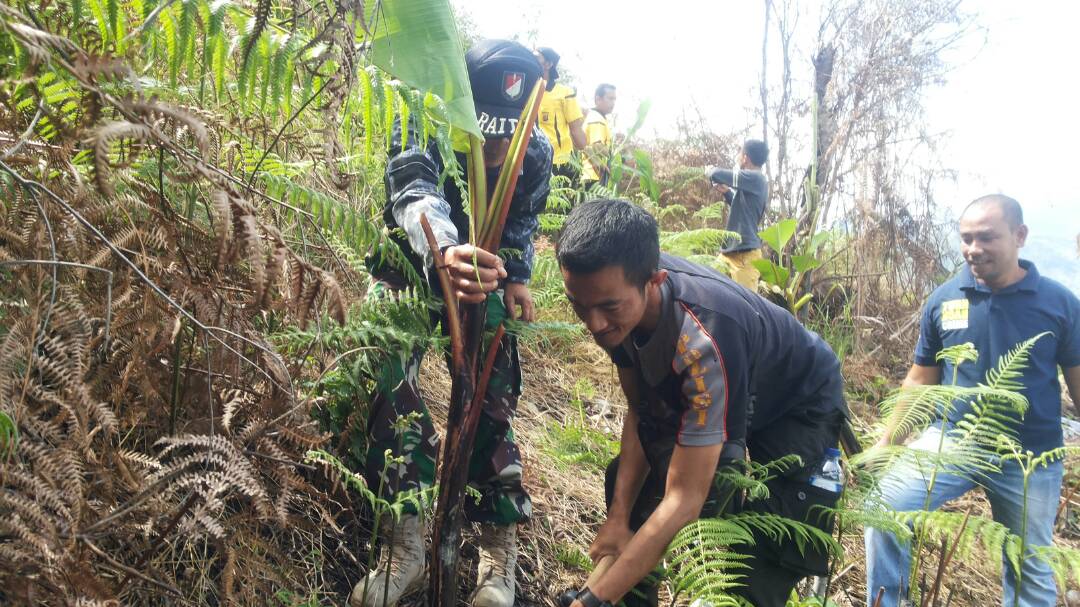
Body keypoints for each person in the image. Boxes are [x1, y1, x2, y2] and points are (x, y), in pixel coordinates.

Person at [556, 199, 849, 607]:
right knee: (630, 489)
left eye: (608, 308)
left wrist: (594, 600)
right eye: (578, 305)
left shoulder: (704, 339)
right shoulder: (615, 301)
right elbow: (643, 413)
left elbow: (684, 499)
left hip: (798, 404)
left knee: (766, 547)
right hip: (729, 382)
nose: (594, 324)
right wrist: (618, 518)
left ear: (653, 281)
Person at [354, 39, 553, 607]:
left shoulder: (533, 147)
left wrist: (516, 273)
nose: (494, 148)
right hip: (412, 260)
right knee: (389, 372)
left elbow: (523, 217)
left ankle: (497, 550)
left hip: (484, 269)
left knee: (495, 391)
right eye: (484, 131)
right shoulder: (422, 117)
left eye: (505, 136)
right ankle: (404, 544)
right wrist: (445, 251)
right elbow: (414, 191)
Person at [865, 195, 1080, 607]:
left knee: (1028, 565)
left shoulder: (1060, 304)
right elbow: (919, 380)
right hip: (951, 439)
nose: (973, 249)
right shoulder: (946, 298)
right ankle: (886, 600)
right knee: (882, 506)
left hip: (1028, 456)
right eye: (966, 238)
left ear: (1020, 236)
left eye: (986, 237)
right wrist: (887, 439)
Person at [707, 140, 770, 290]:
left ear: (745, 158)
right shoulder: (751, 182)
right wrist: (727, 193)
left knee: (745, 310)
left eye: (739, 152)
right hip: (728, 254)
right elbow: (744, 209)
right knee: (711, 293)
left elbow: (716, 174)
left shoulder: (756, 178)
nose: (738, 156)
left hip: (745, 258)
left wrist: (709, 170)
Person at [534, 47, 586, 183]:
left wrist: (589, 157)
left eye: (536, 58)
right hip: (534, 160)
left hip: (560, 162)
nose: (531, 60)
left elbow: (577, 133)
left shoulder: (565, 93)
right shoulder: (528, 91)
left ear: (548, 64)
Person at [582, 83, 617, 186]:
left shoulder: (593, 116)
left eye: (614, 99)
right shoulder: (598, 120)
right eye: (610, 98)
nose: (613, 103)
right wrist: (614, 154)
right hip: (594, 176)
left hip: (587, 175)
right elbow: (597, 146)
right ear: (598, 99)